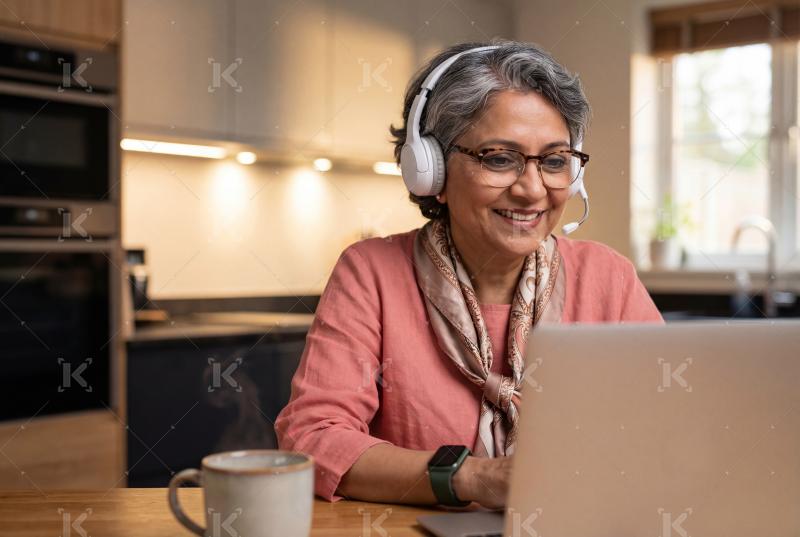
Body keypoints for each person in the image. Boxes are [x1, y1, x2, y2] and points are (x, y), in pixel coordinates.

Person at [275, 39, 663, 509]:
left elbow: (669, 430)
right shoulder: (371, 273)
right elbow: (313, 440)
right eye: (500, 158)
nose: (531, 189)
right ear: (430, 169)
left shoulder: (609, 279)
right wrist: (474, 478)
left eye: (555, 161)